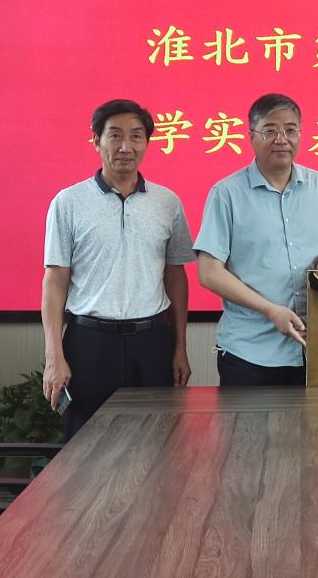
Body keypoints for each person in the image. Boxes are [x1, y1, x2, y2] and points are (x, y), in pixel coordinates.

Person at [41, 99, 196, 439]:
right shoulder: (68, 202)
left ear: (147, 143)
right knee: (85, 447)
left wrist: (180, 346)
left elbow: (175, 276)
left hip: (152, 342)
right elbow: (55, 281)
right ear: (96, 141)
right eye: (115, 135)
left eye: (136, 136)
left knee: (157, 442)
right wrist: (54, 356)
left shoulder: (167, 203)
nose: (126, 146)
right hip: (89, 344)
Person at [194, 93, 318, 386]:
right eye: (270, 130)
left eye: (290, 130)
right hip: (250, 353)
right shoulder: (226, 194)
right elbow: (209, 272)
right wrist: (269, 309)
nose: (282, 139)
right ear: (251, 137)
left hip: (316, 348)